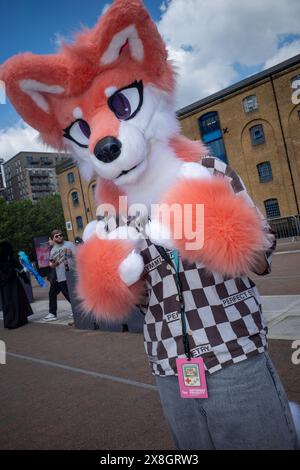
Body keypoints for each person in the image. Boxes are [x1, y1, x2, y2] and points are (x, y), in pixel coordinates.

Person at [43, 230, 75, 323]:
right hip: (60, 276)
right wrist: (52, 264)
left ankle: (76, 310)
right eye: (56, 236)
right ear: (53, 238)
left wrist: (71, 254)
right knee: (64, 294)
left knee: (71, 294)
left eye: (61, 235)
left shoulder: (69, 244)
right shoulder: (53, 250)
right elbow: (51, 262)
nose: (59, 237)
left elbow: (78, 256)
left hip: (71, 274)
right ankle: (53, 313)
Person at [0, 240, 33, 329]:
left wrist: (24, 278)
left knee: (12, 302)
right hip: (9, 284)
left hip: (9, 284)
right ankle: (16, 321)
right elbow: (19, 269)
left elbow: (20, 268)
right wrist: (24, 278)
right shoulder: (9, 260)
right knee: (15, 301)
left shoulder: (10, 259)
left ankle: (13, 321)